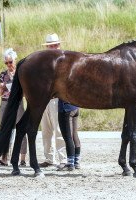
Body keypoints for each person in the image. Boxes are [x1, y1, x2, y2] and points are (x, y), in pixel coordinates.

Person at [0, 48, 27, 167]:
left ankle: (22, 158)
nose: (9, 65)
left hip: (17, 103)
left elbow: (25, 91)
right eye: (6, 63)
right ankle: (4, 158)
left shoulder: (20, 73)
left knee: (21, 130)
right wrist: (1, 87)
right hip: (5, 102)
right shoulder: (3, 74)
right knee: (4, 130)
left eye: (10, 62)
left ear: (15, 60)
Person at [39, 33, 67, 167]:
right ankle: (49, 158)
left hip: (57, 99)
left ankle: (62, 159)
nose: (53, 48)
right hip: (44, 99)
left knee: (59, 130)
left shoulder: (64, 62)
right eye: (50, 46)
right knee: (46, 130)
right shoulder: (43, 63)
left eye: (55, 45)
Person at [57, 99, 81, 171]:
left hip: (65, 108)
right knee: (74, 135)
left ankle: (70, 164)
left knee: (68, 137)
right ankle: (77, 162)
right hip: (75, 107)